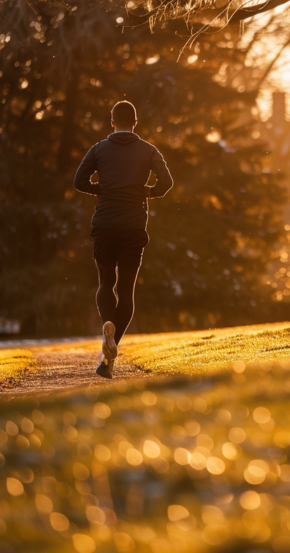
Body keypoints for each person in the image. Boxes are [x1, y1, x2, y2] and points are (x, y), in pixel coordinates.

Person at [74, 100, 172, 378]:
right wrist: (146, 192)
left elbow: (79, 181)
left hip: (104, 224)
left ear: (112, 122)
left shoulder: (98, 149)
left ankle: (108, 327)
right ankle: (110, 353)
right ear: (136, 123)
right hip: (133, 226)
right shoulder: (148, 150)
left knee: (106, 281)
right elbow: (167, 182)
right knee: (127, 290)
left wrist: (102, 189)